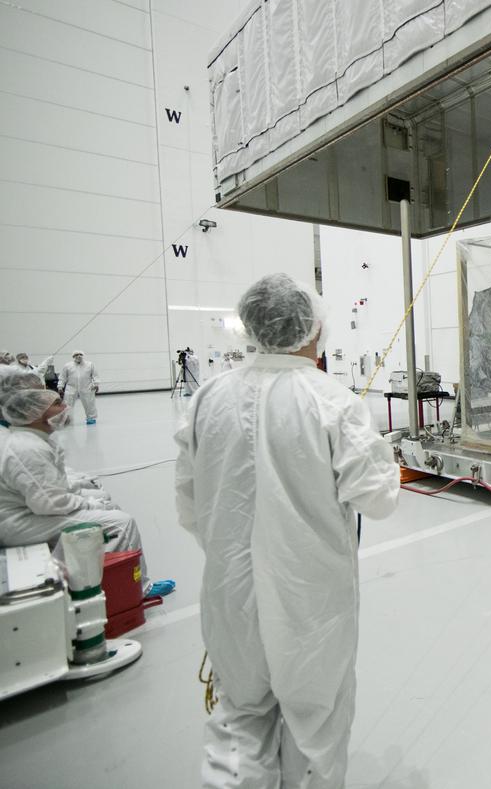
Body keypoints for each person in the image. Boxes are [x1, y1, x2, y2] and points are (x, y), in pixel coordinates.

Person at [175, 273, 399, 788]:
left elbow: (189, 506)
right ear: (313, 329)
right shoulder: (332, 400)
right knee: (315, 720)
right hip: (310, 600)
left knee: (240, 714)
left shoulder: (207, 397)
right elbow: (378, 500)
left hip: (229, 593)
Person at [0, 387, 173, 598]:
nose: (65, 407)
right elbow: (48, 503)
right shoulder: (27, 448)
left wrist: (86, 498)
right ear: (35, 414)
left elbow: (52, 487)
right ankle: (127, 589)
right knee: (121, 522)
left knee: (104, 505)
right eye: (57, 404)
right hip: (20, 522)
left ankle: (96, 576)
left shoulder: (33, 439)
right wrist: (89, 503)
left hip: (28, 511)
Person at [59, 351, 100, 424]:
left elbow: (95, 375)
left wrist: (96, 384)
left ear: (83, 355)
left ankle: (91, 418)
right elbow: (63, 377)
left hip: (86, 386)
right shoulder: (68, 366)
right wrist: (60, 387)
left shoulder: (89, 365)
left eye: (80, 354)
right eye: (76, 355)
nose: (79, 356)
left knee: (89, 403)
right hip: (71, 387)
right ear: (73, 357)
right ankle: (67, 419)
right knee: (68, 403)